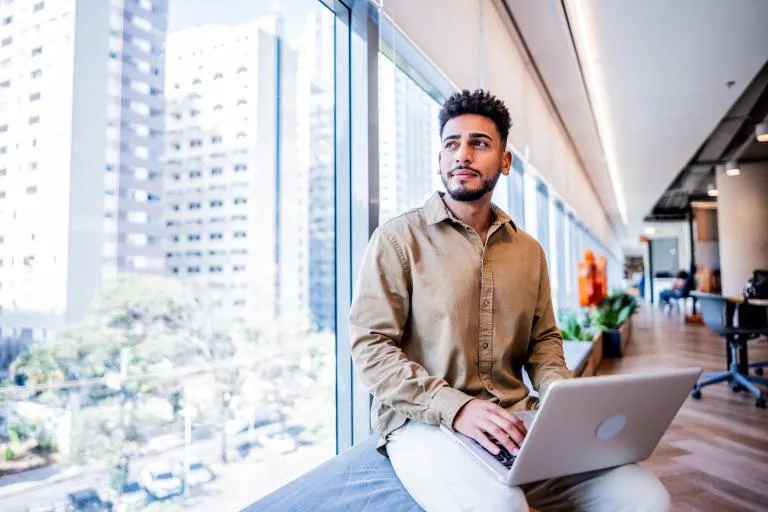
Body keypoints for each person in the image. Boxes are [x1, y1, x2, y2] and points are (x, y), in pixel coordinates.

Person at [349, 89, 670, 511]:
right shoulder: (397, 239)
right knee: (502, 506)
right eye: (451, 144)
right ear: (440, 157)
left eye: (478, 143)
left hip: (517, 416)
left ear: (504, 161)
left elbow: (544, 341)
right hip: (423, 423)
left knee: (645, 497)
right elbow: (370, 346)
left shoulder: (529, 251)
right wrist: (456, 407)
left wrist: (559, 394)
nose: (462, 154)